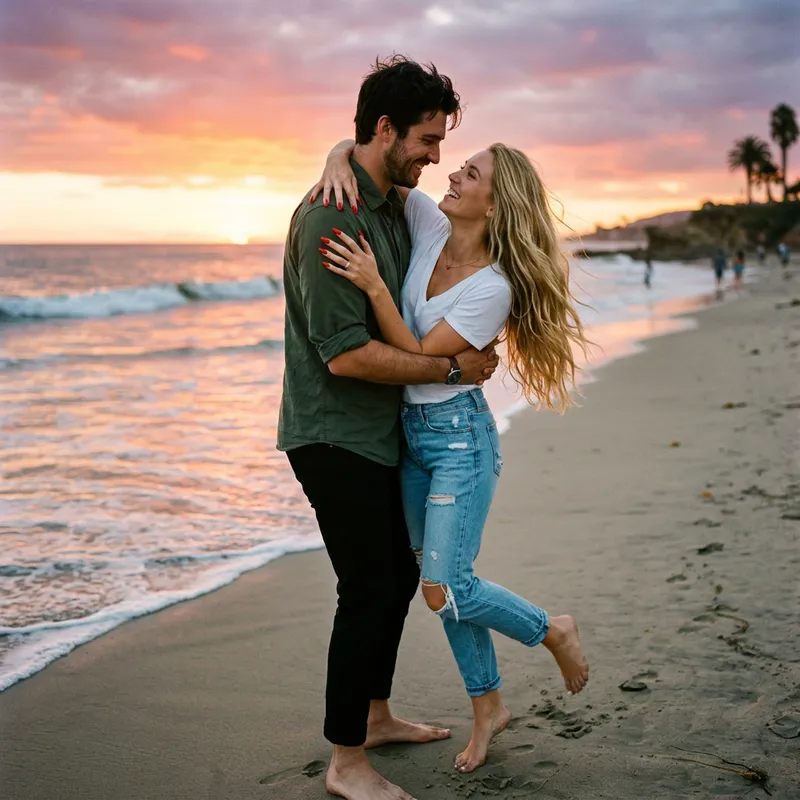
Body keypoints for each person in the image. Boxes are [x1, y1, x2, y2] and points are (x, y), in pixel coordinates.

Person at [313, 137, 590, 773]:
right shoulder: (430, 221)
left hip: (459, 443)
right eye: (460, 167)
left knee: (445, 587)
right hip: (410, 438)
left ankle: (553, 629)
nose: (454, 174)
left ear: (496, 204)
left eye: (471, 173)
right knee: (444, 589)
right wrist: (334, 157)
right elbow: (369, 160)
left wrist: (374, 285)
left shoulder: (493, 289)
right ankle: (488, 705)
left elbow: (417, 352)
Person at [277, 57, 501, 800]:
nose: (436, 156)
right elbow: (344, 355)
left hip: (381, 433)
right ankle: (346, 762)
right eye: (428, 139)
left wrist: (341, 152)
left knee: (397, 576)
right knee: (370, 586)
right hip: (332, 433)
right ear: (385, 128)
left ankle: (373, 717)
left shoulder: (388, 198)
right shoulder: (332, 216)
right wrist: (449, 371)